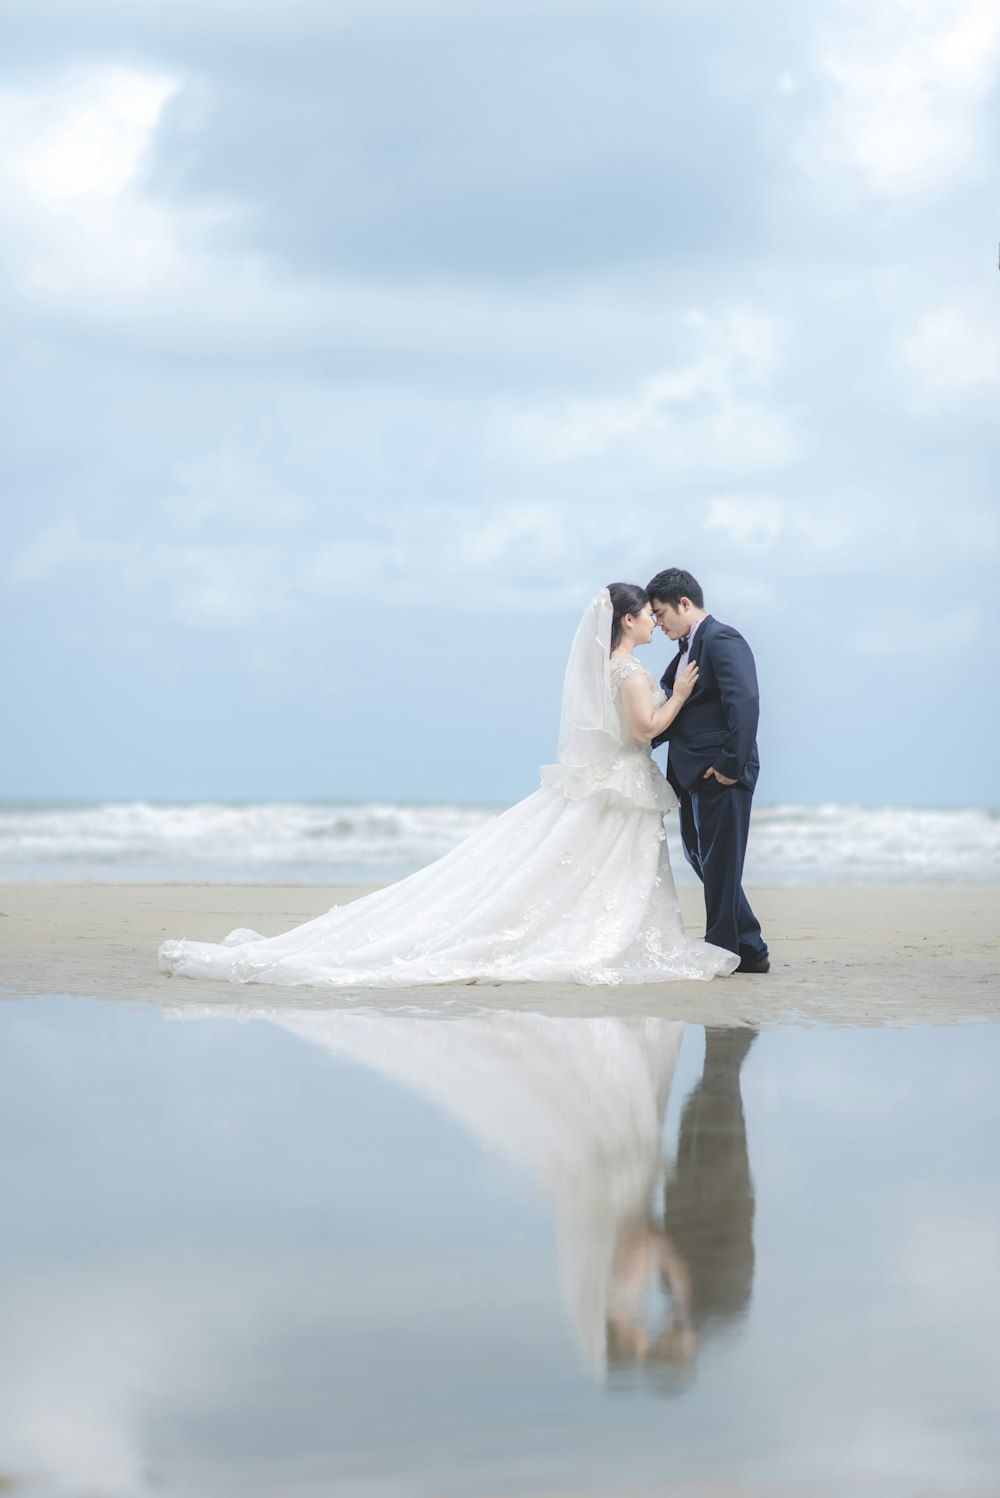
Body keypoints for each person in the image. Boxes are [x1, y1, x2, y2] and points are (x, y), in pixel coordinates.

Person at [158, 584, 738, 988]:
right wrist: (682, 695)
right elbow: (644, 728)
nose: (653, 623)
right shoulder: (630, 672)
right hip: (625, 782)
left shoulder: (611, 669)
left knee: (591, 868)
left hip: (615, 782)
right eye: (647, 615)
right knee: (605, 869)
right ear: (628, 621)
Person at [646, 568, 770, 973]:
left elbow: (745, 701)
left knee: (719, 864)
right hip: (690, 776)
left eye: (661, 613)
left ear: (685, 603)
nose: (658, 623)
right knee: (702, 858)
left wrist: (730, 765)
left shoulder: (722, 638)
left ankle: (721, 954)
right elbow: (678, 711)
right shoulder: (685, 649)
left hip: (721, 771)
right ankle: (750, 947)